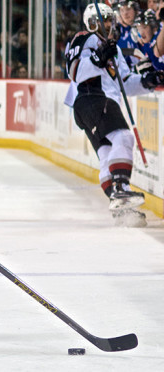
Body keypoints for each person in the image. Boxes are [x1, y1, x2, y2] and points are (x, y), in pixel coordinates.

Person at [64, 3, 164, 227]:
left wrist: (148, 82)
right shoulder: (83, 38)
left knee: (108, 154)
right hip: (91, 97)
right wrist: (97, 58)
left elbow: (125, 83)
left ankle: (122, 210)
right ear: (91, 23)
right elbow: (74, 71)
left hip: (97, 103)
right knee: (124, 137)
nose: (107, 24)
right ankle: (121, 188)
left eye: (109, 20)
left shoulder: (115, 49)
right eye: (102, 20)